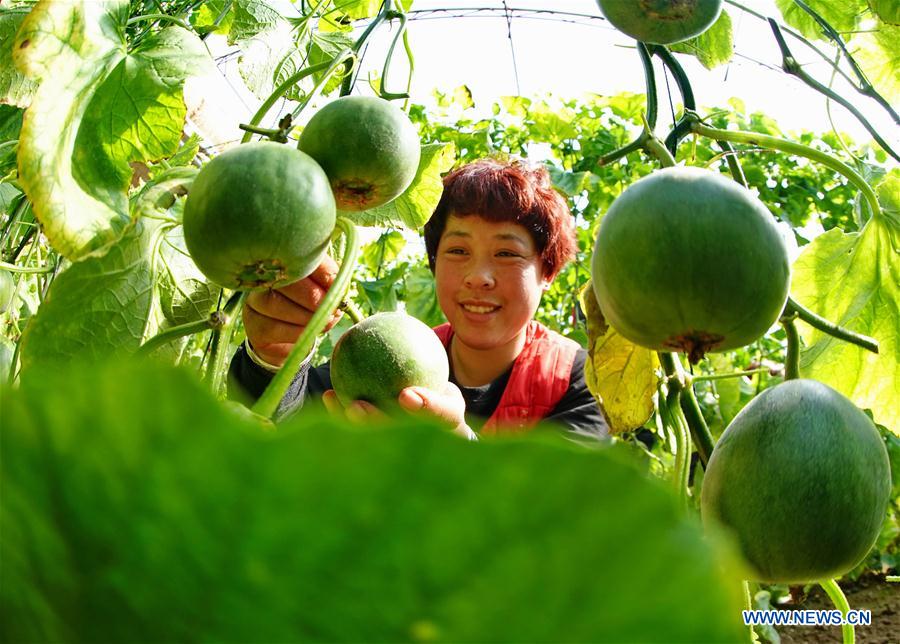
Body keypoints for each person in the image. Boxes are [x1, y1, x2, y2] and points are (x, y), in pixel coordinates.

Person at [229, 158, 608, 442]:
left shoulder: (580, 381)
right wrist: (272, 356)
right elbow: (287, 418)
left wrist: (456, 454)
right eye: (458, 251)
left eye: (507, 254)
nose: (478, 276)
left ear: (548, 272)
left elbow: (557, 529)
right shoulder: (391, 352)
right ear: (434, 263)